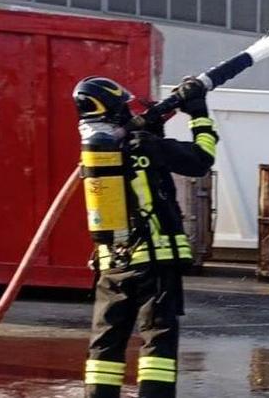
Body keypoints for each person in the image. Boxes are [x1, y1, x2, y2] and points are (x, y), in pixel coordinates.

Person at [72, 76, 217, 398]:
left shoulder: (94, 151)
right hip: (154, 260)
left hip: (112, 266)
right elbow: (200, 160)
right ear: (114, 109)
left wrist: (155, 122)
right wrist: (199, 112)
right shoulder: (144, 145)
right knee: (157, 343)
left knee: (106, 346)